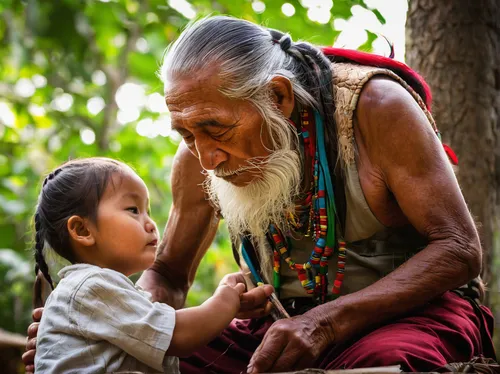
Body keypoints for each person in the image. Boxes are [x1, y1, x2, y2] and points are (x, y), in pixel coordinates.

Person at [24, 16, 496, 373]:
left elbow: (458, 249)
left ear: (279, 97)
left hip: (409, 319)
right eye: (186, 133)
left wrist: (326, 322)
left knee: (386, 363)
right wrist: (112, 329)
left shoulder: (376, 110)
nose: (205, 157)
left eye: (214, 128)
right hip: (280, 325)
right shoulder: (198, 152)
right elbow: (166, 274)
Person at [30, 157, 249, 373]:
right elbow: (179, 335)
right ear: (82, 230)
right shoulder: (91, 286)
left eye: (148, 211)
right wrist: (227, 299)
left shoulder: (98, 287)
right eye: (133, 210)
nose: (151, 224)